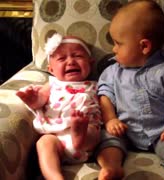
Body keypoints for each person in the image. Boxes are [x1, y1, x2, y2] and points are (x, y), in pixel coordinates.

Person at [96, 0, 164, 179]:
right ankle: (112, 167)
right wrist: (110, 120)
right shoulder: (112, 72)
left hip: (161, 132)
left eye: (118, 43)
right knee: (108, 142)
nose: (113, 49)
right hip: (124, 129)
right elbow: (104, 95)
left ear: (144, 46)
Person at [16, 33, 102, 180]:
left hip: (86, 132)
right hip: (56, 136)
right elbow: (40, 99)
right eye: (62, 58)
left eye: (78, 56)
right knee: (44, 143)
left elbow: (106, 104)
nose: (70, 62)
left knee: (93, 132)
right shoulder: (53, 83)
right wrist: (32, 99)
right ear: (51, 70)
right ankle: (55, 177)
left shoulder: (96, 85)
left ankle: (79, 135)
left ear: (91, 63)